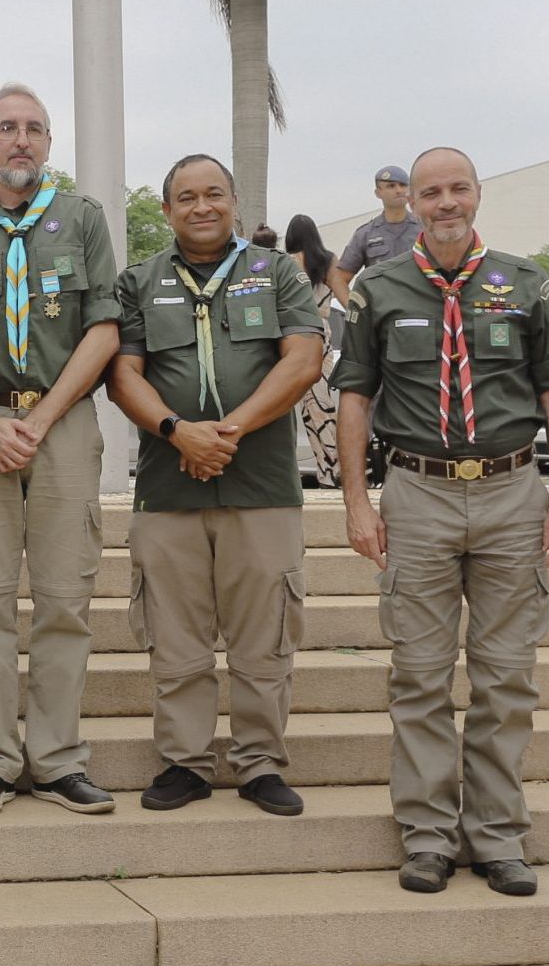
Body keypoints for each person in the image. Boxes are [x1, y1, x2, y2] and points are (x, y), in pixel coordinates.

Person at [332, 146, 549, 898]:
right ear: (410, 199)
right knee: (419, 674)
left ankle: (499, 833)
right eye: (430, 190)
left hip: (511, 493)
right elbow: (353, 395)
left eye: (457, 189)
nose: (445, 202)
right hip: (418, 491)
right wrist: (354, 499)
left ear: (477, 194)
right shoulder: (378, 287)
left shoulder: (525, 282)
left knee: (508, 675)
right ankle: (428, 834)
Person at [110, 155, 325, 817]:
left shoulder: (278, 272)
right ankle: (185, 760)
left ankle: (261, 762)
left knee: (265, 636)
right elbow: (123, 374)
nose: (200, 206)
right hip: (168, 488)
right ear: (168, 209)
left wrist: (224, 432)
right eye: (185, 197)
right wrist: (180, 433)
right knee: (175, 638)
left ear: (233, 201)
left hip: (260, 487)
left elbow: (304, 359)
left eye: (213, 194)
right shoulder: (141, 280)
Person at [0, 82, 120, 818]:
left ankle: (59, 757)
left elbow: (103, 326)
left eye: (35, 129)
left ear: (48, 143)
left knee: (66, 596)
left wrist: (40, 422)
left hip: (61, 422)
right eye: (6, 128)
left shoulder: (83, 220)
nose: (21, 140)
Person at [285, 213, 343, 486]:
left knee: (292, 405)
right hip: (322, 335)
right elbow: (344, 296)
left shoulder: (285, 261)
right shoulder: (328, 260)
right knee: (321, 405)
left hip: (291, 335)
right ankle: (330, 470)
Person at [329, 165, 421, 305]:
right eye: (391, 186)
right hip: (381, 314)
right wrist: (356, 313)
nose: (399, 190)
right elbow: (338, 280)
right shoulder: (366, 234)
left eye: (403, 185)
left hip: (419, 311)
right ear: (378, 192)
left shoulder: (425, 229)